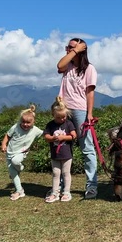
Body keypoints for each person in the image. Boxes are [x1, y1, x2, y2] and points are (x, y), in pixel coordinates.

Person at [57, 37, 99, 199]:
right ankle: (61, 186)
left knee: (87, 148)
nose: (68, 49)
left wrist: (89, 114)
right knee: (62, 147)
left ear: (82, 49)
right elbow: (59, 66)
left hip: (80, 110)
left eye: (71, 47)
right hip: (63, 110)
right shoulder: (67, 66)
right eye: (67, 47)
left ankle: (91, 186)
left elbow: (90, 92)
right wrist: (74, 50)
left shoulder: (89, 69)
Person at [1, 105, 43, 201]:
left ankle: (21, 167)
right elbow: (7, 135)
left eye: (28, 122)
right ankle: (19, 191)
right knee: (13, 174)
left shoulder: (35, 130)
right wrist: (4, 144)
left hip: (21, 153)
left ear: (33, 122)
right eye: (23, 122)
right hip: (9, 152)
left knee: (15, 161)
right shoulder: (15, 127)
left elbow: (45, 134)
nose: (25, 124)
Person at [44, 96, 77, 203]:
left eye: (64, 117)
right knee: (55, 173)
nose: (62, 119)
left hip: (67, 155)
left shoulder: (68, 123)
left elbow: (74, 135)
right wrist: (53, 138)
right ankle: (55, 192)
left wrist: (64, 137)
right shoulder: (50, 125)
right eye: (59, 117)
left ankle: (66, 192)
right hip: (55, 155)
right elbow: (46, 137)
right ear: (53, 115)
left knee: (66, 173)